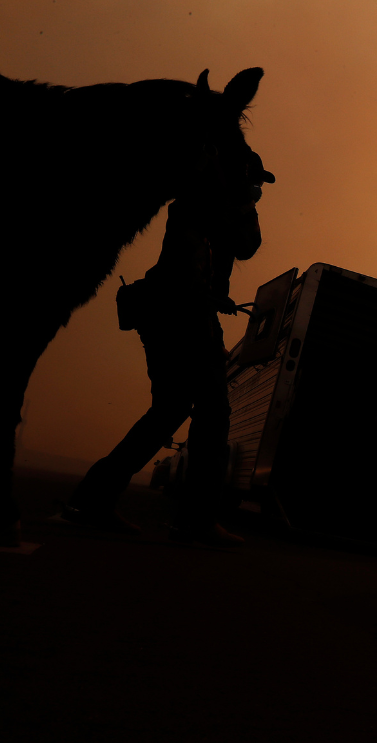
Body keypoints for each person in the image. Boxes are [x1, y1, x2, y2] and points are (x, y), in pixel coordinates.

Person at [62, 152, 273, 547]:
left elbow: (226, 252)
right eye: (255, 185)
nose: (257, 194)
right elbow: (244, 246)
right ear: (236, 180)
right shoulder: (206, 205)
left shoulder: (201, 206)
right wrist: (245, 202)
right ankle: (196, 521)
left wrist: (215, 296)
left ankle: (91, 501)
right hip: (182, 315)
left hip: (167, 313)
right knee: (213, 411)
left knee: (168, 411)